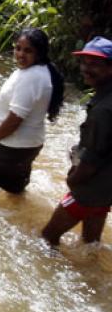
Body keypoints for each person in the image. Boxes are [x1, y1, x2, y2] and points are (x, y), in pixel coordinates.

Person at [0, 28, 64, 199]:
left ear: (39, 53)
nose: (20, 54)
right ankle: (20, 224)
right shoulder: (42, 72)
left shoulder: (31, 77)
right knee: (14, 193)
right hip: (28, 145)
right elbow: (21, 111)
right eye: (18, 48)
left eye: (28, 50)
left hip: (11, 146)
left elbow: (15, 119)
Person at [42, 36, 112, 247]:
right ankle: (90, 276)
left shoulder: (103, 110)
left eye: (95, 64)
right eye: (84, 62)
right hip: (105, 192)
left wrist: (73, 180)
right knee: (91, 244)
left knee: (47, 237)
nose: (85, 69)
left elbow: (91, 161)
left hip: (89, 190)